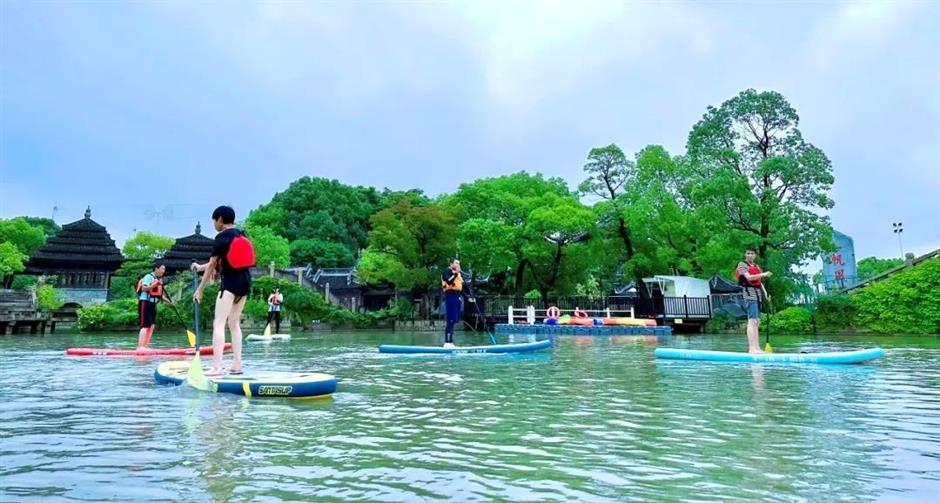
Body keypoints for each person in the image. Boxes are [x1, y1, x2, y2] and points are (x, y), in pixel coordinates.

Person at [192, 205, 253, 376]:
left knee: (218, 323)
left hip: (230, 283)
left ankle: (217, 367)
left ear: (219, 220)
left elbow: (213, 264)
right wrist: (199, 267)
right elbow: (223, 260)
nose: (214, 224)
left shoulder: (221, 237)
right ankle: (237, 364)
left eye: (214, 221)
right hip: (245, 282)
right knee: (234, 323)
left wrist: (200, 289)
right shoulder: (242, 234)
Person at [736, 247, 772, 354]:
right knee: (752, 321)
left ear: (755, 255)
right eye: (748, 253)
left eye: (752, 253)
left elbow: (759, 282)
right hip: (749, 293)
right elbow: (749, 278)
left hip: (758, 294)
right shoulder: (742, 265)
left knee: (757, 322)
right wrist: (763, 274)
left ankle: (757, 348)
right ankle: (752, 348)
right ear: (745, 254)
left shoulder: (756, 266)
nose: (750, 255)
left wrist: (766, 294)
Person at [137, 263, 168, 350]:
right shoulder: (148, 277)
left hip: (153, 304)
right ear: (156, 269)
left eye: (164, 269)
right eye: (162, 269)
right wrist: (155, 284)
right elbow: (144, 288)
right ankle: (140, 347)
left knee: (152, 326)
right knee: (145, 325)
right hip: (145, 302)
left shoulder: (157, 279)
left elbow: (160, 295)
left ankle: (145, 346)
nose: (163, 271)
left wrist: (169, 302)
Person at [441, 258, 463, 348]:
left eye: (459, 263)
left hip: (457, 295)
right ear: (451, 264)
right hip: (450, 294)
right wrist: (456, 273)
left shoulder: (458, 274)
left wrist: (470, 297)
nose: (458, 265)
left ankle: (450, 341)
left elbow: (460, 286)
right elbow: (449, 281)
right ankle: (447, 342)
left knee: (454, 319)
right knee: (450, 319)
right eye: (456, 263)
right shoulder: (446, 271)